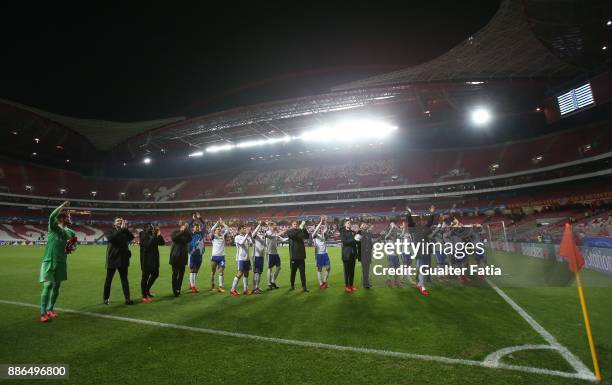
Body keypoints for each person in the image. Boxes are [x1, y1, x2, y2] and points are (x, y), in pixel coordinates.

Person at [39, 201, 76, 322]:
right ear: (62, 218)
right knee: (48, 285)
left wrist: (72, 247)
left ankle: (50, 309)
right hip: (49, 260)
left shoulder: (71, 232)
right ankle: (43, 313)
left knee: (57, 285)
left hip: (61, 262)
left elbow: (73, 246)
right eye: (68, 216)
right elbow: (51, 216)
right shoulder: (53, 227)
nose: (70, 218)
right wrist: (62, 207)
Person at [405, 205, 437, 296]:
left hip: (424, 251)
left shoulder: (424, 229)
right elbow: (410, 221)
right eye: (419, 221)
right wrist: (409, 213)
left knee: (421, 268)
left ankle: (420, 284)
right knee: (422, 268)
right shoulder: (413, 229)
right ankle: (422, 286)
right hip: (420, 252)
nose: (421, 222)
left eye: (422, 221)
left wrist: (432, 212)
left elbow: (430, 223)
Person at [104, 217, 134, 305]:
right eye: (118, 221)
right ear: (114, 223)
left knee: (124, 280)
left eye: (121, 221)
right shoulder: (109, 231)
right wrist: (121, 230)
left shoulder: (124, 231)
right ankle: (106, 298)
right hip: (112, 258)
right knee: (109, 280)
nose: (119, 222)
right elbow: (112, 238)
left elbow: (131, 238)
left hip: (123, 258)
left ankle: (127, 299)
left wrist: (126, 229)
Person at [139, 224, 165, 302]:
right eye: (150, 227)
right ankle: (144, 296)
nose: (152, 228)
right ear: (146, 228)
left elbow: (162, 243)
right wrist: (154, 235)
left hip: (154, 259)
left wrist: (159, 235)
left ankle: (147, 290)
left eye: (152, 227)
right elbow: (148, 245)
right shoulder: (143, 235)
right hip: (146, 260)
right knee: (145, 278)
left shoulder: (153, 235)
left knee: (155, 274)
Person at [169, 221, 193, 297]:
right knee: (175, 274)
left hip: (183, 257)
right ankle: (174, 289)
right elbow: (174, 238)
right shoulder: (175, 232)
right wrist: (181, 232)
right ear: (180, 225)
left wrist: (186, 230)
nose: (184, 226)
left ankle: (178, 288)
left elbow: (190, 238)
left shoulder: (186, 233)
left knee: (181, 274)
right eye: (183, 225)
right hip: (175, 256)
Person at [286, 220, 309, 292]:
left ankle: (304, 287)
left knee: (302, 273)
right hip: (293, 256)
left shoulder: (300, 231)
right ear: (292, 225)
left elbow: (307, 236)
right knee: (293, 272)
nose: (295, 225)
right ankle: (292, 285)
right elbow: (293, 236)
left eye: (296, 224)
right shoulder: (289, 231)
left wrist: (303, 228)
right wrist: (300, 228)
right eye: (294, 224)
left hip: (301, 256)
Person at [230, 225, 253, 296]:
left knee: (246, 273)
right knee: (240, 273)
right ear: (240, 230)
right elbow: (242, 243)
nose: (245, 229)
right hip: (241, 258)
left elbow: (252, 243)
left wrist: (250, 235)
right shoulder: (237, 237)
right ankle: (232, 289)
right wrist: (247, 234)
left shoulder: (247, 236)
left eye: (245, 228)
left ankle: (245, 290)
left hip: (247, 258)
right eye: (244, 228)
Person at [188, 212, 206, 293]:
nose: (197, 228)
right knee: (192, 269)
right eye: (195, 227)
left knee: (196, 270)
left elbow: (204, 225)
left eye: (198, 227)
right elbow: (188, 226)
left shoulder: (201, 234)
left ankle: (191, 283)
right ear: (193, 229)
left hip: (200, 255)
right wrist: (193, 219)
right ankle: (193, 286)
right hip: (192, 254)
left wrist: (200, 218)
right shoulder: (191, 234)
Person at [210, 218, 229, 292]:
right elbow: (211, 230)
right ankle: (213, 285)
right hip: (214, 257)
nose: (219, 230)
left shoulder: (223, 236)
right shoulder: (213, 237)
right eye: (217, 229)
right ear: (215, 231)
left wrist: (222, 223)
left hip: (222, 257)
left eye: (220, 229)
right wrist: (217, 224)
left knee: (221, 272)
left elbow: (227, 229)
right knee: (213, 272)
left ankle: (220, 286)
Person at [265, 222, 287, 289]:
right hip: (269, 253)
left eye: (276, 225)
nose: (276, 227)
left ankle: (272, 280)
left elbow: (283, 239)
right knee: (270, 268)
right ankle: (269, 283)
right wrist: (281, 232)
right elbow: (271, 236)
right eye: (275, 225)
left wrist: (290, 237)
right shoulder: (268, 232)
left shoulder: (275, 233)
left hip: (275, 253)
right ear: (271, 226)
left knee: (279, 267)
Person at [357, 222, 379, 289]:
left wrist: (380, 235)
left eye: (365, 225)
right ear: (360, 227)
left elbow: (371, 241)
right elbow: (357, 241)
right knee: (364, 270)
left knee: (367, 270)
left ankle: (366, 283)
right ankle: (365, 283)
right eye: (363, 225)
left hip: (368, 254)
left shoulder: (368, 233)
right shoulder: (359, 233)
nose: (364, 226)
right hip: (363, 254)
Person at [339, 220, 358, 292]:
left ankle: (351, 285)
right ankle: (347, 286)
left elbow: (355, 241)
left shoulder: (353, 232)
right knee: (347, 271)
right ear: (345, 224)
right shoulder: (343, 232)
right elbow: (345, 242)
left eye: (350, 223)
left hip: (353, 254)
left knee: (352, 271)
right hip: (346, 254)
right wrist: (354, 239)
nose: (350, 224)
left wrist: (358, 239)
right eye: (348, 223)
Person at [312, 216, 330, 289]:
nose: (320, 229)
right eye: (319, 228)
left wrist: (325, 221)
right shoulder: (314, 235)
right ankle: (321, 283)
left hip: (325, 253)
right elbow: (316, 229)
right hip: (319, 254)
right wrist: (320, 221)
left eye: (320, 228)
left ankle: (324, 280)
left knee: (328, 268)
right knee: (319, 269)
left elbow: (327, 227)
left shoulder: (322, 234)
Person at [250, 221, 266, 294]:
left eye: (261, 229)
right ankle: (254, 288)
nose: (261, 230)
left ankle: (257, 286)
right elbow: (253, 234)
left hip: (262, 256)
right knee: (256, 273)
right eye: (259, 229)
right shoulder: (256, 236)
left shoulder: (263, 236)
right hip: (256, 256)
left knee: (259, 273)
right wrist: (259, 225)